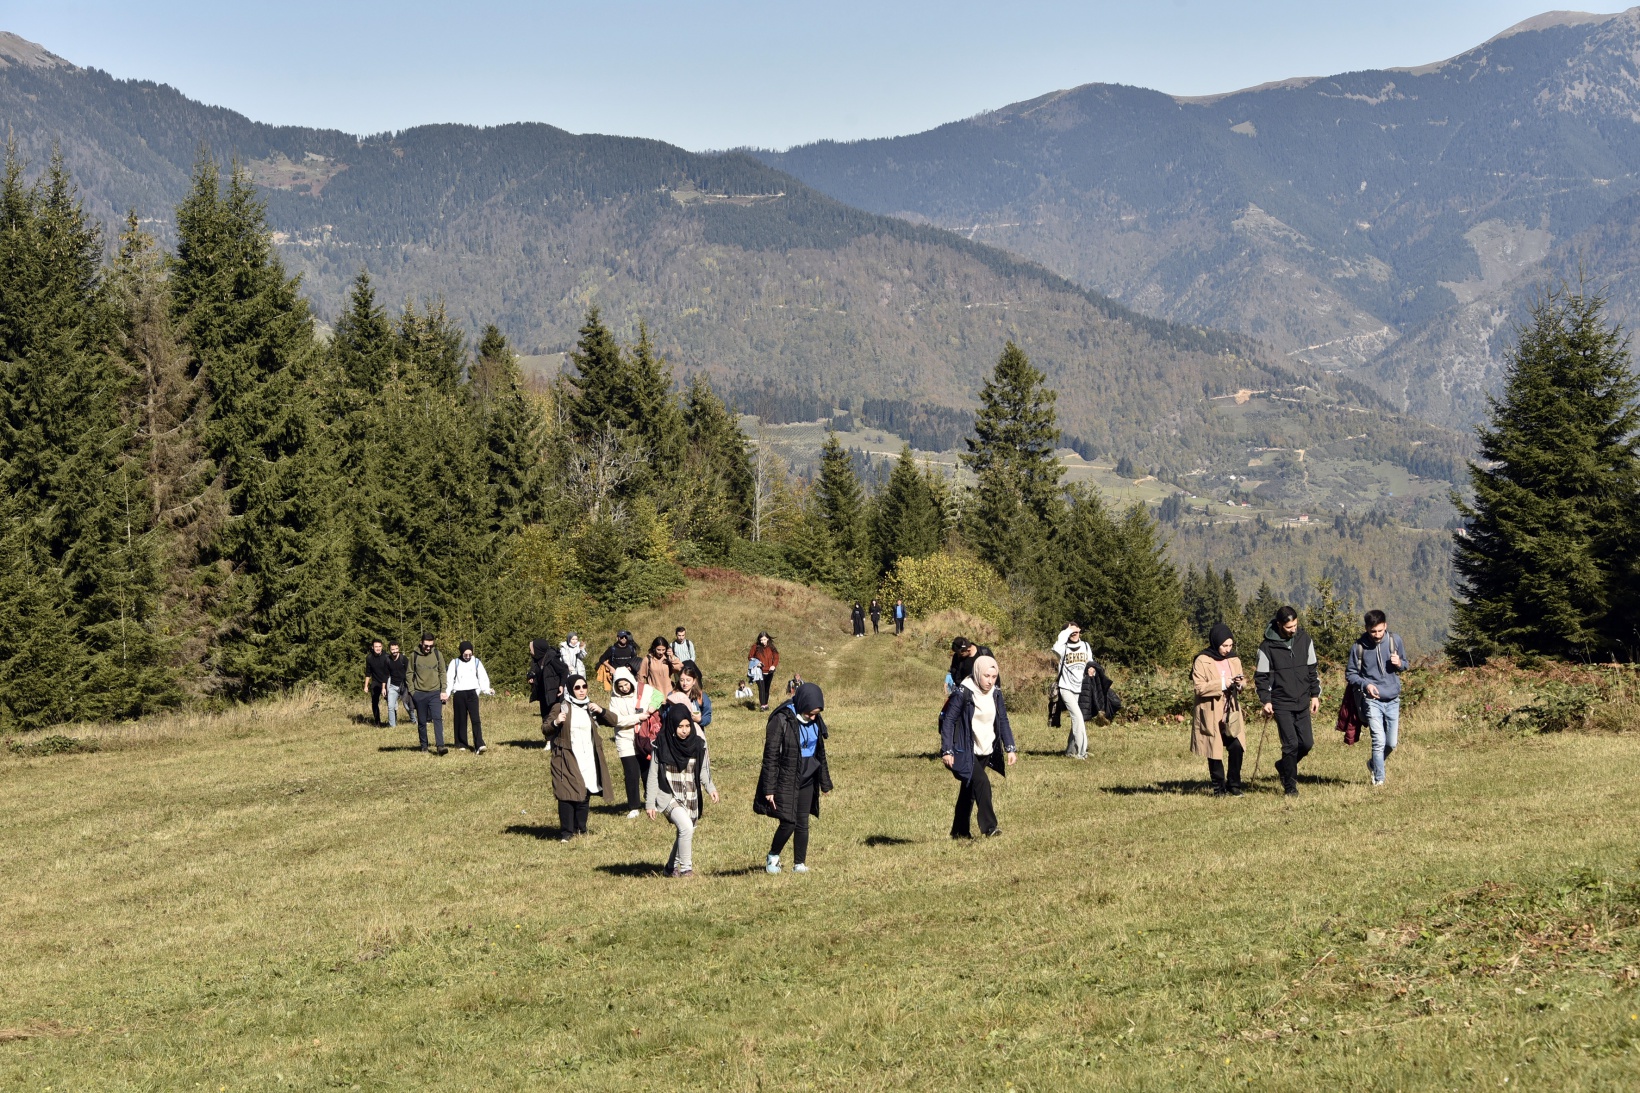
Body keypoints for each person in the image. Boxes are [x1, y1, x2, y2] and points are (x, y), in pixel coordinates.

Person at [755, 681, 833, 874]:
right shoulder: (781, 719)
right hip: (786, 777)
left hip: (808, 777)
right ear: (802, 704)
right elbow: (771, 755)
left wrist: (825, 782)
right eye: (810, 713)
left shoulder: (816, 720)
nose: (813, 717)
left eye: (816, 713)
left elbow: (820, 753)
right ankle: (773, 856)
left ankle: (799, 863)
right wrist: (769, 788)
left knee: (802, 822)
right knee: (788, 821)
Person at [939, 653, 1018, 838]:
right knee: (981, 783)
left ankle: (959, 831)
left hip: (985, 748)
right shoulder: (964, 691)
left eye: (993, 676)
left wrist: (1010, 747)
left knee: (969, 790)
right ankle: (990, 828)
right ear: (977, 673)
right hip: (963, 749)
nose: (990, 681)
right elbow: (949, 721)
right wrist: (947, 750)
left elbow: (1003, 719)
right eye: (986, 676)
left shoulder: (996, 693)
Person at [646, 702, 719, 878]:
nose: (685, 730)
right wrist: (650, 803)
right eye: (680, 726)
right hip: (668, 795)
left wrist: (710, 788)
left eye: (687, 726)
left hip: (690, 795)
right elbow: (653, 775)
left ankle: (670, 868)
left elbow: (703, 769)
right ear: (672, 725)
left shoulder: (698, 744)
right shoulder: (661, 745)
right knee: (686, 827)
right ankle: (686, 869)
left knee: (686, 830)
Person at [1256, 606, 1321, 798]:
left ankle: (1283, 765)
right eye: (1289, 627)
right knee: (1290, 744)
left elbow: (1312, 670)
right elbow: (1261, 677)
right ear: (1279, 625)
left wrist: (1315, 695)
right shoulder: (1266, 647)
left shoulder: (1305, 640)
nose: (1293, 629)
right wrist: (1266, 700)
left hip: (1302, 701)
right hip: (1281, 703)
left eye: (1295, 625)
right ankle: (1290, 787)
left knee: (1307, 743)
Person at [543, 675, 615, 841]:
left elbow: (614, 721)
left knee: (585, 791)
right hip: (567, 756)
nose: (582, 690)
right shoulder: (561, 707)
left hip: (588, 754)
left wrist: (601, 710)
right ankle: (567, 832)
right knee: (567, 793)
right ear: (570, 689)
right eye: (577, 688)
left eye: (584, 686)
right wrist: (556, 722)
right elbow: (545, 728)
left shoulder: (589, 707)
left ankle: (580, 829)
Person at [1346, 609, 1408, 787]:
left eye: (1380, 630)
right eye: (1373, 631)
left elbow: (1405, 664)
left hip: (1393, 699)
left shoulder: (1394, 641)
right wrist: (1366, 685)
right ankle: (1379, 779)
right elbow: (1350, 674)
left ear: (1385, 626)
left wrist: (1400, 664)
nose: (1377, 635)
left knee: (1391, 743)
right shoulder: (1358, 647)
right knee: (1378, 741)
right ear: (1366, 628)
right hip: (1371, 700)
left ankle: (1373, 764)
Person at [1191, 623, 1247, 796]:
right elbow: (1198, 688)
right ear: (1216, 643)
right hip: (1210, 711)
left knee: (1237, 747)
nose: (1227, 649)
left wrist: (1240, 684)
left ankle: (1234, 785)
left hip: (1230, 711)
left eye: (1230, 645)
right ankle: (1219, 788)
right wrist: (1223, 684)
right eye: (1224, 645)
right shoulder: (1202, 660)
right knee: (1214, 751)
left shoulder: (1234, 659)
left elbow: (1243, 681)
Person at [606, 666, 648, 818]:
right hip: (624, 739)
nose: (624, 688)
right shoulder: (614, 700)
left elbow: (656, 699)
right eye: (620, 686)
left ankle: (650, 801)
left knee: (647, 771)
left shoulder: (643, 692)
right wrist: (638, 717)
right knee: (631, 773)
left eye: (626, 684)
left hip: (643, 738)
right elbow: (616, 720)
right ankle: (634, 806)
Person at [1052, 623, 1095, 760]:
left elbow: (1090, 663)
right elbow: (1055, 647)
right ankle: (1082, 752)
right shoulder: (1062, 648)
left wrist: (1091, 669)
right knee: (1078, 718)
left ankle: (1070, 751)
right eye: (1071, 630)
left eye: (1077, 629)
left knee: (1077, 720)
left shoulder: (1086, 646)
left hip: (1080, 688)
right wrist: (1068, 630)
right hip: (1066, 688)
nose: (1074, 632)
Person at [446, 640, 494, 754]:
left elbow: (482, 677)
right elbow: (449, 679)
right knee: (460, 719)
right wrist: (446, 694)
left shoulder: (476, 662)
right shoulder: (455, 662)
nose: (468, 657)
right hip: (459, 694)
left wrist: (487, 689)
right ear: (461, 652)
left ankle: (479, 744)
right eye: (465, 655)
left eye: (470, 654)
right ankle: (461, 743)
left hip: (472, 693)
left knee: (476, 719)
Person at [408, 632, 448, 755]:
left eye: (431, 645)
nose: (428, 648)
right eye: (426, 645)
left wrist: (443, 690)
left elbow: (442, 672)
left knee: (437, 718)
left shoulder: (437, 654)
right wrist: (412, 692)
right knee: (422, 721)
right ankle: (424, 746)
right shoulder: (414, 656)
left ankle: (440, 746)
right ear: (421, 643)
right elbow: (409, 674)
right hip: (419, 693)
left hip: (435, 692)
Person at [527, 638, 568, 720]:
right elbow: (535, 673)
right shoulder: (536, 660)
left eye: (531, 648)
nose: (530, 650)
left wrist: (561, 685)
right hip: (543, 696)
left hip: (554, 696)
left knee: (554, 719)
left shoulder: (551, 658)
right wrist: (531, 678)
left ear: (537, 649)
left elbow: (564, 670)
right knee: (546, 721)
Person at [673, 660, 713, 730]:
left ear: (694, 681)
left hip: (696, 734)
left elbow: (708, 717)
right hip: (677, 736)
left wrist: (700, 720)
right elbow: (665, 715)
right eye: (682, 680)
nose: (685, 683)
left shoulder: (701, 696)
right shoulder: (673, 695)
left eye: (688, 680)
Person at [638, 635, 680, 700]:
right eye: (658, 650)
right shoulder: (648, 659)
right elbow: (641, 676)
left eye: (663, 650)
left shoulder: (668, 658)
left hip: (669, 695)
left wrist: (672, 657)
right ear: (654, 648)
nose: (661, 652)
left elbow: (679, 668)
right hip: (654, 695)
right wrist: (641, 693)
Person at [747, 632, 780, 711]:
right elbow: (750, 657)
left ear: (768, 639)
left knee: (766, 688)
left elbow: (776, 657)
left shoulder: (771, 647)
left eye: (764, 639)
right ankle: (762, 706)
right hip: (759, 671)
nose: (763, 642)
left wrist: (773, 666)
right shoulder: (755, 646)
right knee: (761, 688)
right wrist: (756, 663)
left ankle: (766, 704)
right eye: (761, 640)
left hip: (769, 671)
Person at [364, 639, 391, 725]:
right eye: (376, 647)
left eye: (379, 646)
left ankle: (392, 721)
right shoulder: (369, 658)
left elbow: (391, 671)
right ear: (372, 647)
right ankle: (377, 722)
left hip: (387, 681)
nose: (378, 648)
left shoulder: (387, 656)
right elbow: (368, 672)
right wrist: (366, 686)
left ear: (382, 647)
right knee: (374, 702)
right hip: (375, 682)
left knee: (390, 702)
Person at [384, 640, 408, 728]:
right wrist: (384, 688)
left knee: (407, 706)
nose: (395, 651)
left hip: (404, 685)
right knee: (390, 707)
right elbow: (385, 675)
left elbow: (409, 672)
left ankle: (414, 721)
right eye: (392, 649)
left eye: (396, 649)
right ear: (390, 650)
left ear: (399, 648)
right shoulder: (387, 660)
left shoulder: (403, 658)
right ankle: (392, 726)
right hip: (392, 686)